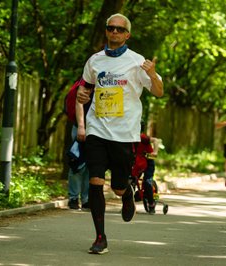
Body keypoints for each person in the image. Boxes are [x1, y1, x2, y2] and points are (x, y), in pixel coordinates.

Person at [76, 13, 163, 254]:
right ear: (106, 31)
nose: (114, 32)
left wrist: (153, 74)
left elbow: (158, 92)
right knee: (95, 180)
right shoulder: (94, 60)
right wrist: (83, 97)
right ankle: (100, 237)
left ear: (127, 35)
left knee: (117, 187)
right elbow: (84, 91)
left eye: (119, 29)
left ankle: (127, 191)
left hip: (124, 133)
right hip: (97, 128)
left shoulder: (138, 62)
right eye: (110, 28)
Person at [131, 121, 161, 214]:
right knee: (131, 181)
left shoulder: (142, 138)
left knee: (147, 182)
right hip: (137, 162)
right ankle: (128, 204)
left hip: (148, 161)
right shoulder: (129, 138)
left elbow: (156, 140)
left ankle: (151, 204)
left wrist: (155, 152)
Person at [67, 125, 90, 210]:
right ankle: (73, 198)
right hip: (80, 127)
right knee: (77, 164)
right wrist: (81, 126)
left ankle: (86, 200)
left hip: (98, 128)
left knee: (90, 166)